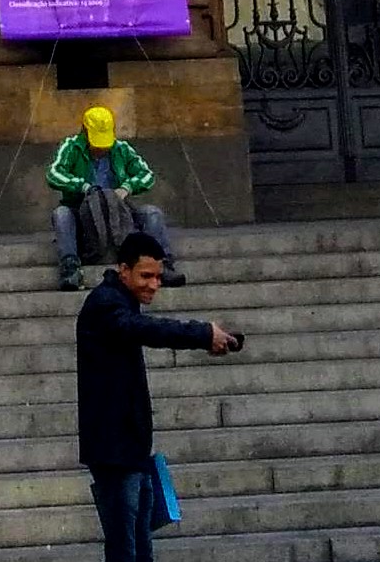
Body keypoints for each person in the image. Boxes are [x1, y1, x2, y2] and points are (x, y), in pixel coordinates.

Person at [72, 234, 239, 562]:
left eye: (158, 277)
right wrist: (202, 334)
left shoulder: (118, 300)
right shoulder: (106, 304)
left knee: (138, 544)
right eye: (145, 276)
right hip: (114, 449)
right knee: (126, 546)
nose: (154, 285)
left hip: (128, 446)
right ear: (123, 270)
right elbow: (143, 329)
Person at [48, 107, 178, 290]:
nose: (101, 148)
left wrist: (127, 187)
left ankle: (164, 265)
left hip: (119, 210)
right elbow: (54, 174)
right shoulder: (71, 147)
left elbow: (147, 174)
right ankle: (70, 268)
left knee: (152, 213)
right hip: (80, 211)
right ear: (85, 132)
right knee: (61, 214)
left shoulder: (122, 149)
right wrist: (82, 186)